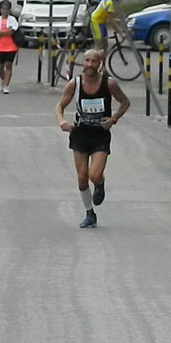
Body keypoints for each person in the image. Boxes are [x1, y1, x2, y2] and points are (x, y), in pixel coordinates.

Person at [55, 49, 131, 228]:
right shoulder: (75, 84)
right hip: (80, 133)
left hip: (100, 134)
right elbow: (59, 106)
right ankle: (90, 214)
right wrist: (62, 121)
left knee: (94, 174)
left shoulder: (109, 84)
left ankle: (100, 183)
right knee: (82, 177)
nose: (89, 65)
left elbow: (125, 102)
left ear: (100, 64)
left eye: (93, 61)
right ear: (83, 62)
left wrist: (113, 119)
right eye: (87, 61)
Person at [0, 0, 19, 94]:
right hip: (1, 47)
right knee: (0, 66)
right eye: (3, 9)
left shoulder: (13, 20)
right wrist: (4, 33)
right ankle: (3, 79)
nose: (5, 11)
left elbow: (12, 31)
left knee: (8, 66)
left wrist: (1, 33)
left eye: (6, 9)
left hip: (11, 46)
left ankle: (6, 85)